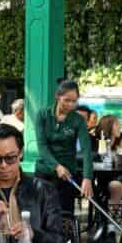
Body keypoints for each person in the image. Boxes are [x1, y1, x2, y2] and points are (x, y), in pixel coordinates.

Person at [35, 80, 94, 213]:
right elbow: (42, 146)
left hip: (67, 174)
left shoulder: (78, 120)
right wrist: (56, 166)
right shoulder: (42, 115)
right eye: (67, 100)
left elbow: (86, 150)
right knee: (41, 213)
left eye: (74, 101)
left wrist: (87, 177)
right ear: (57, 96)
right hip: (44, 171)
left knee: (65, 215)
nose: (71, 105)